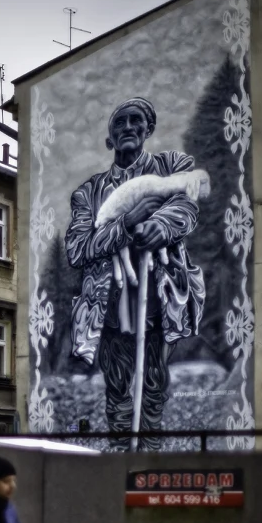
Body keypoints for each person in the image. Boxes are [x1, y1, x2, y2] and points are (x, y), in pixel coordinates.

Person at [64, 97, 206, 451]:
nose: (128, 127)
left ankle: (152, 454)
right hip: (110, 306)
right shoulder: (89, 193)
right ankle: (119, 454)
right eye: (119, 123)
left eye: (136, 120)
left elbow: (186, 202)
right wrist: (127, 223)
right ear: (110, 138)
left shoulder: (170, 165)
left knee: (154, 382)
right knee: (117, 384)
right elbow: (78, 248)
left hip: (158, 299)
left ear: (149, 129)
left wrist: (160, 224)